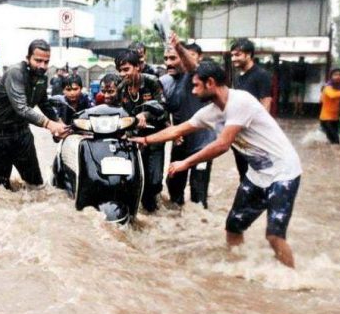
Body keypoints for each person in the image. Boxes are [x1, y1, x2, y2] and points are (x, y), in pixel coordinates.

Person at [132, 61, 302, 267]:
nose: (193, 91)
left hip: (284, 172)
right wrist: (145, 140)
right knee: (233, 226)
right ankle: (238, 268)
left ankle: (291, 277)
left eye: (196, 85)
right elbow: (177, 130)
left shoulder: (240, 101)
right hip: (258, 174)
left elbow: (222, 145)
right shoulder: (211, 112)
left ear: (210, 83)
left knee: (274, 235)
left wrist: (186, 162)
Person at [0, 39, 69, 190]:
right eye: (38, 60)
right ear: (28, 58)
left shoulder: (42, 78)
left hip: (21, 131)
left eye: (46, 62)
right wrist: (50, 125)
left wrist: (59, 123)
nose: (42, 66)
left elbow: (44, 103)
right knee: (1, 187)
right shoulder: (16, 73)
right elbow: (21, 108)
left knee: (36, 185)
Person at [160, 33, 215, 209]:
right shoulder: (164, 82)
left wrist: (179, 47)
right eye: (166, 59)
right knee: (173, 187)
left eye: (173, 58)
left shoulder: (194, 77)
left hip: (203, 144)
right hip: (180, 142)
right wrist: (171, 130)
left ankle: (201, 222)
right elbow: (162, 112)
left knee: (198, 193)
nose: (168, 63)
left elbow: (193, 66)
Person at [115, 50, 169, 212]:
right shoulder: (121, 89)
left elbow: (163, 108)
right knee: (135, 179)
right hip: (133, 140)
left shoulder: (152, 82)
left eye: (126, 69)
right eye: (120, 70)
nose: (123, 74)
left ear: (137, 67)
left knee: (154, 181)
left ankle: (155, 210)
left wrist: (145, 115)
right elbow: (120, 114)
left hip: (155, 138)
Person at [230, 38, 272, 180]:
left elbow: (266, 103)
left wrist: (260, 131)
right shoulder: (238, 76)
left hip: (254, 132)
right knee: (243, 172)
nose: (233, 59)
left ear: (248, 55)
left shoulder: (261, 75)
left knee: (257, 172)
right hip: (240, 131)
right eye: (232, 55)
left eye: (237, 55)